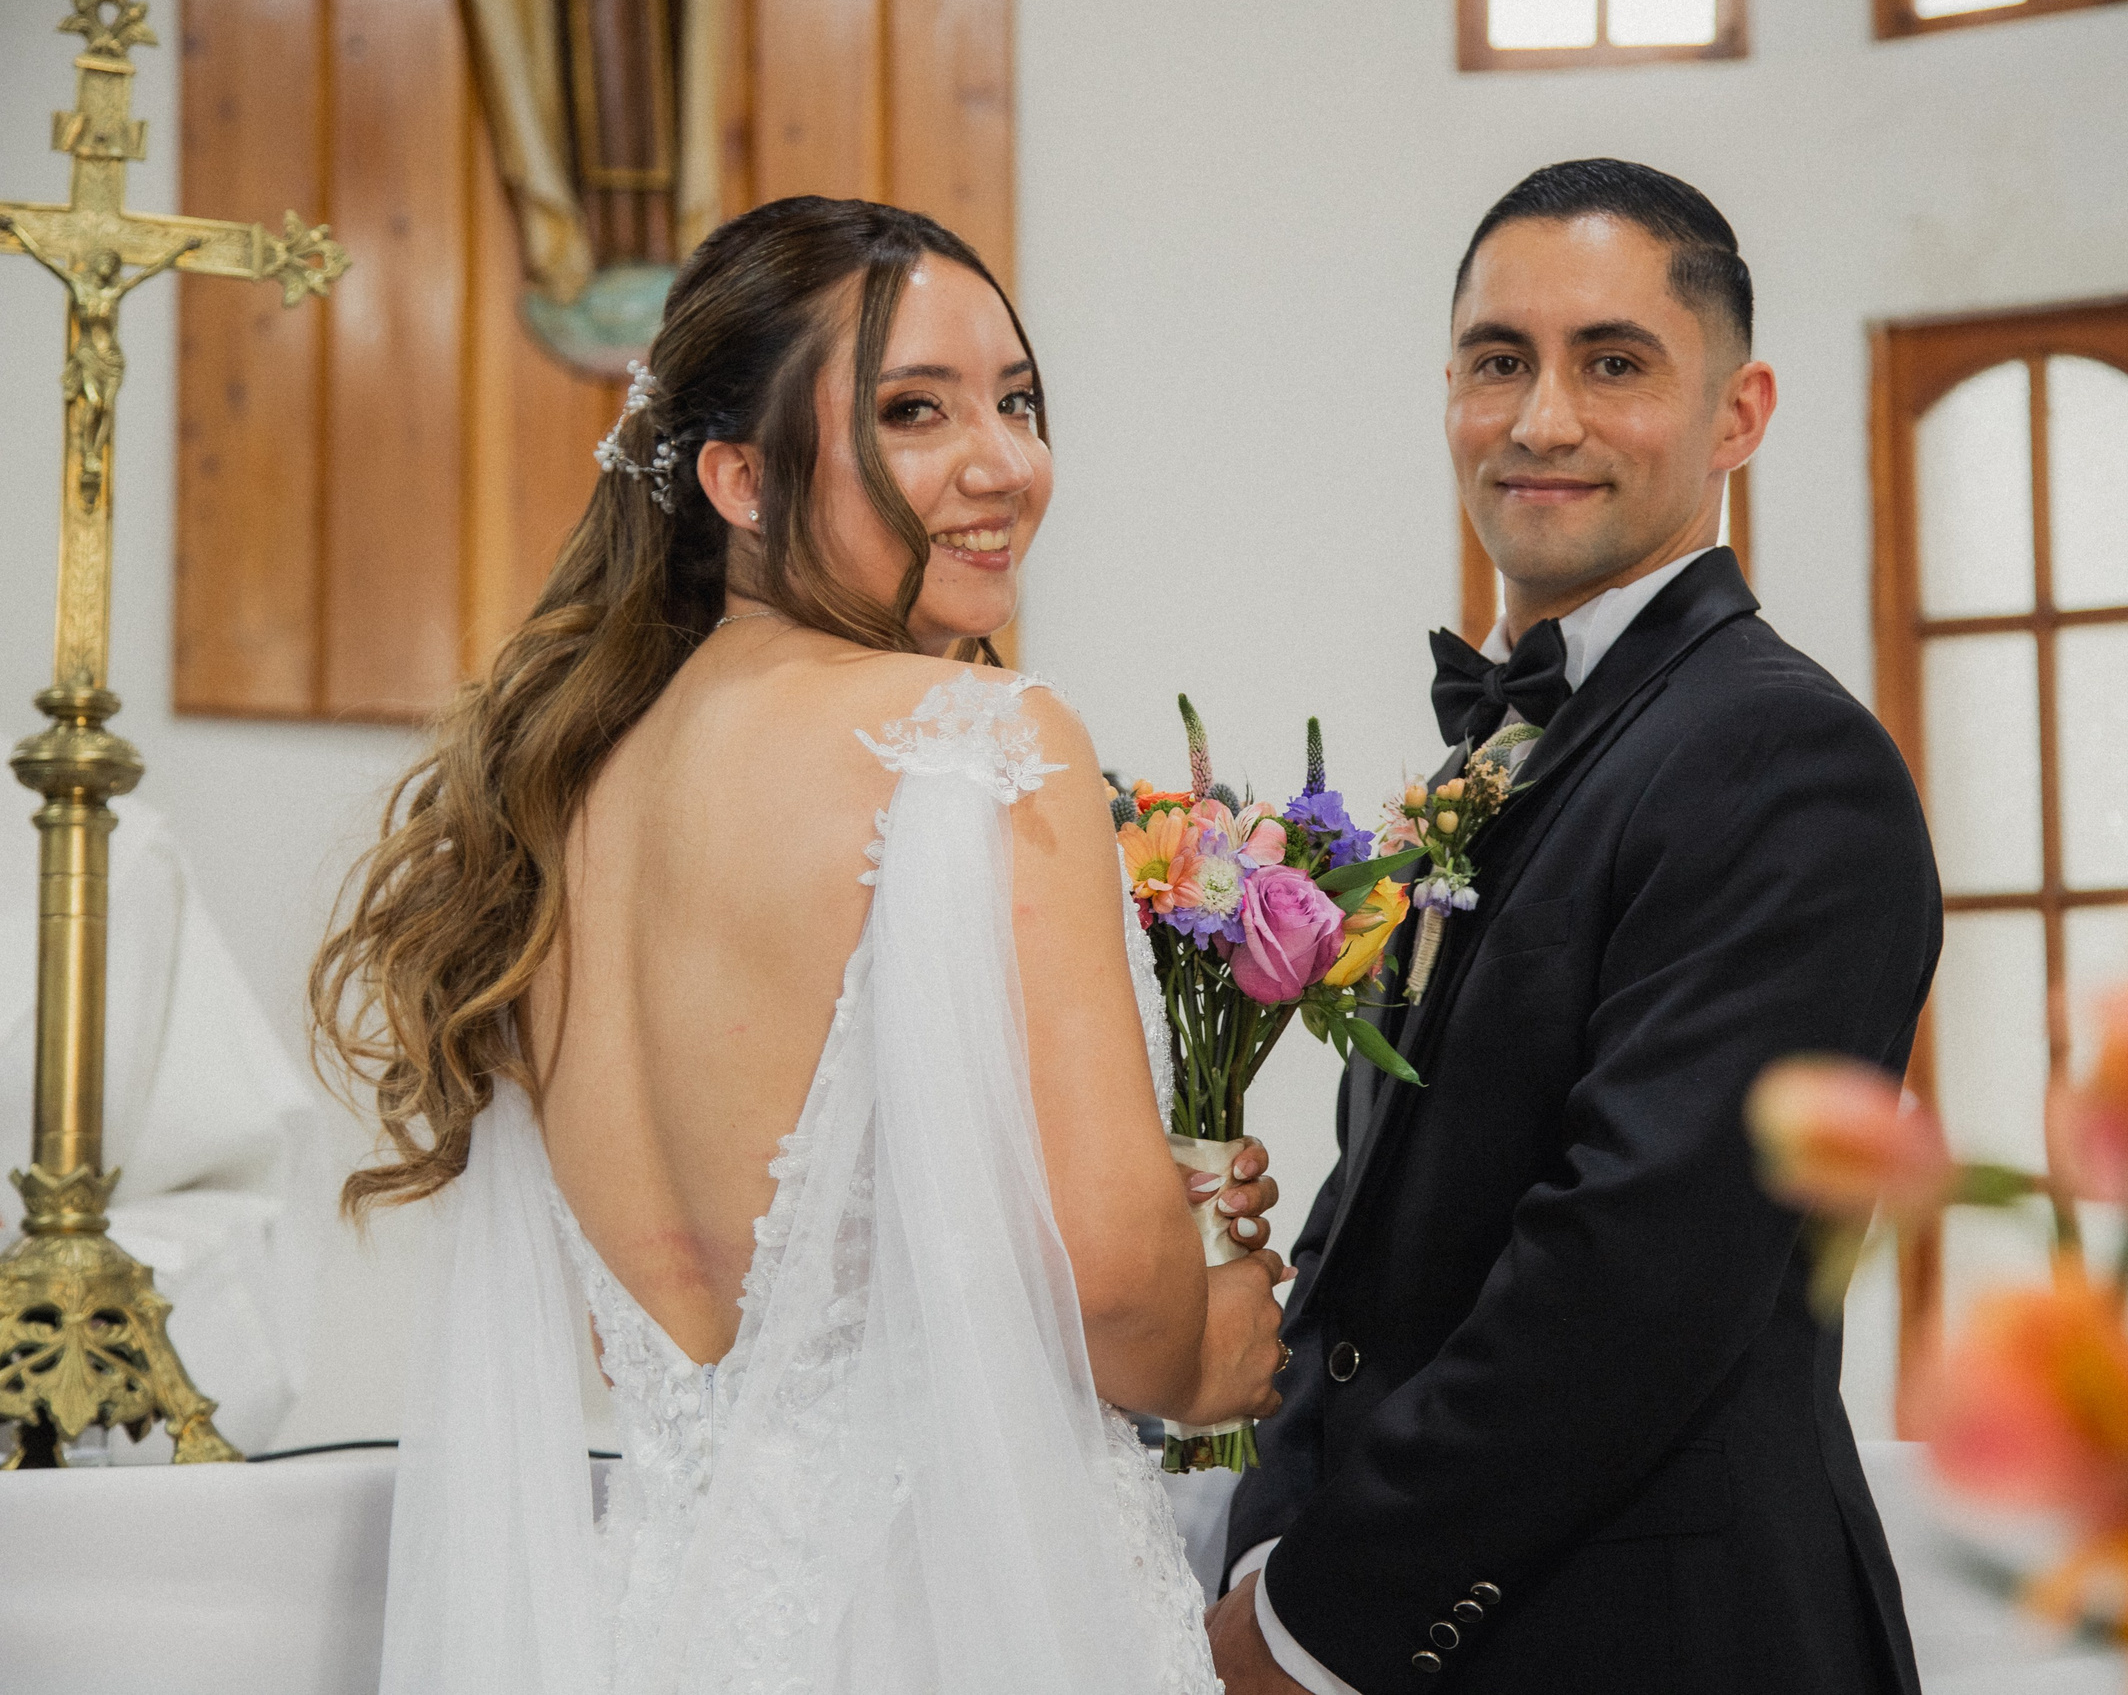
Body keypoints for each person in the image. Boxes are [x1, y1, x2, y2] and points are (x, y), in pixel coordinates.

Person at [312, 195, 1288, 1694]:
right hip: (947, 1627)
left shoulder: (561, 796)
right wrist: (1221, 1326)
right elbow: (1113, 1309)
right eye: (915, 412)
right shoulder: (979, 747)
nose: (1004, 466)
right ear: (737, 479)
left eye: (1017, 402)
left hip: (656, 1633)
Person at [1212, 160, 1940, 1693]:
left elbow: (1637, 1275)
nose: (1542, 420)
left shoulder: (1785, 760)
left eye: (1613, 363)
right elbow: (1374, 1215)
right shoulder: (1489, 760)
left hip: (1664, 1643)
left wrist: (1310, 1621)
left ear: (1737, 414)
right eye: (1498, 362)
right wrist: (1270, 1530)